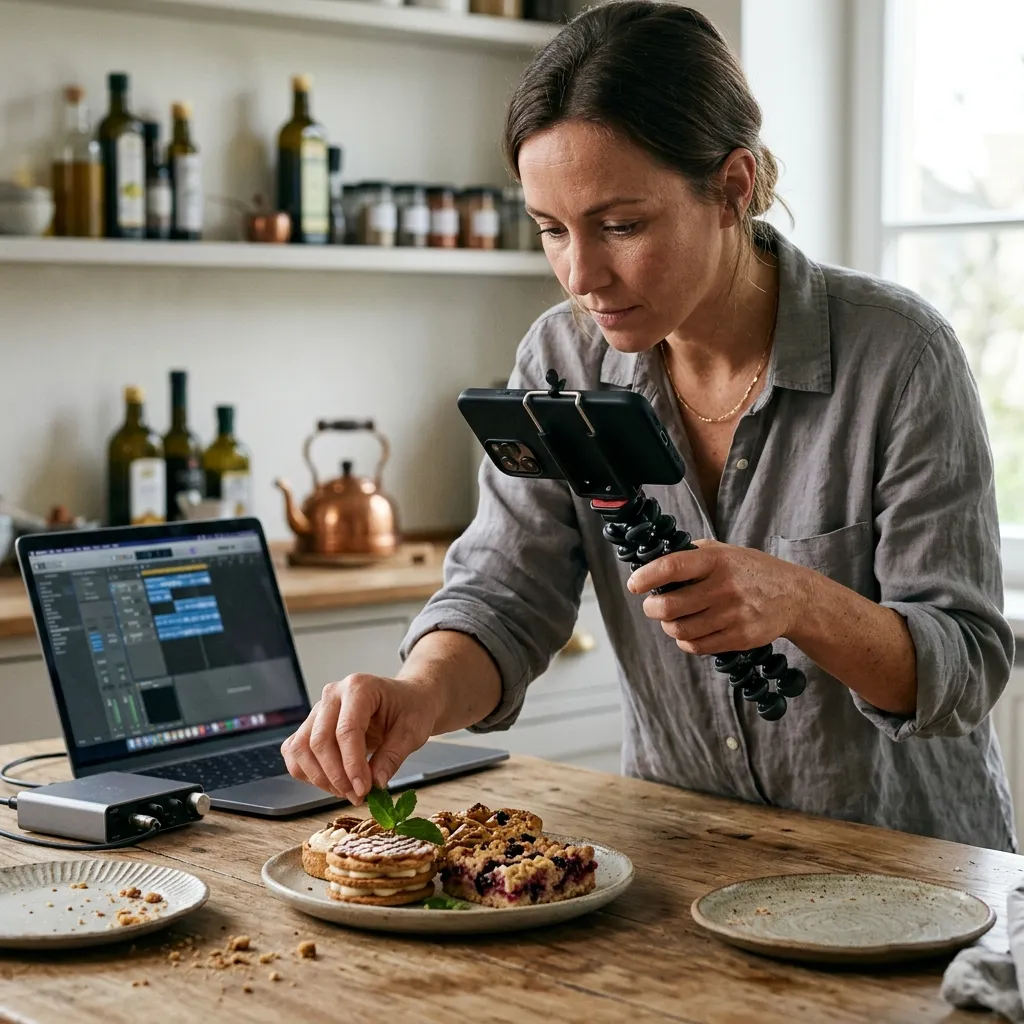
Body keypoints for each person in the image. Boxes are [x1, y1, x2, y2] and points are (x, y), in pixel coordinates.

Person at [282, 1, 1016, 851]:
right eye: (552, 230)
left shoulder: (902, 357)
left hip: (909, 877)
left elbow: (964, 668)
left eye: (621, 226)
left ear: (733, 188)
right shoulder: (560, 360)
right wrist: (417, 695)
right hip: (687, 869)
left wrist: (799, 601)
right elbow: (503, 596)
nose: (583, 275)